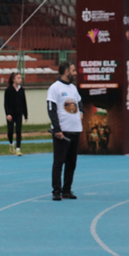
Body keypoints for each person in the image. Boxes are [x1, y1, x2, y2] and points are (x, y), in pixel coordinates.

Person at [47, 61, 82, 201]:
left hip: (75, 130)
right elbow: (51, 109)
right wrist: (57, 129)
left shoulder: (73, 88)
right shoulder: (54, 88)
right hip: (63, 132)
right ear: (66, 72)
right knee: (59, 162)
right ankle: (56, 190)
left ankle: (67, 190)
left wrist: (82, 112)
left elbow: (80, 103)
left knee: (71, 163)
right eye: (73, 70)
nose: (75, 73)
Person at [4, 72, 28, 156]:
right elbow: (6, 103)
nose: (20, 79)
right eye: (18, 78)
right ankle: (11, 144)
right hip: (11, 114)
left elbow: (24, 102)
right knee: (10, 131)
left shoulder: (21, 90)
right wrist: (8, 114)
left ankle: (18, 148)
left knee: (18, 131)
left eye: (20, 78)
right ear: (13, 79)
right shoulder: (8, 90)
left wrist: (25, 115)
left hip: (19, 113)